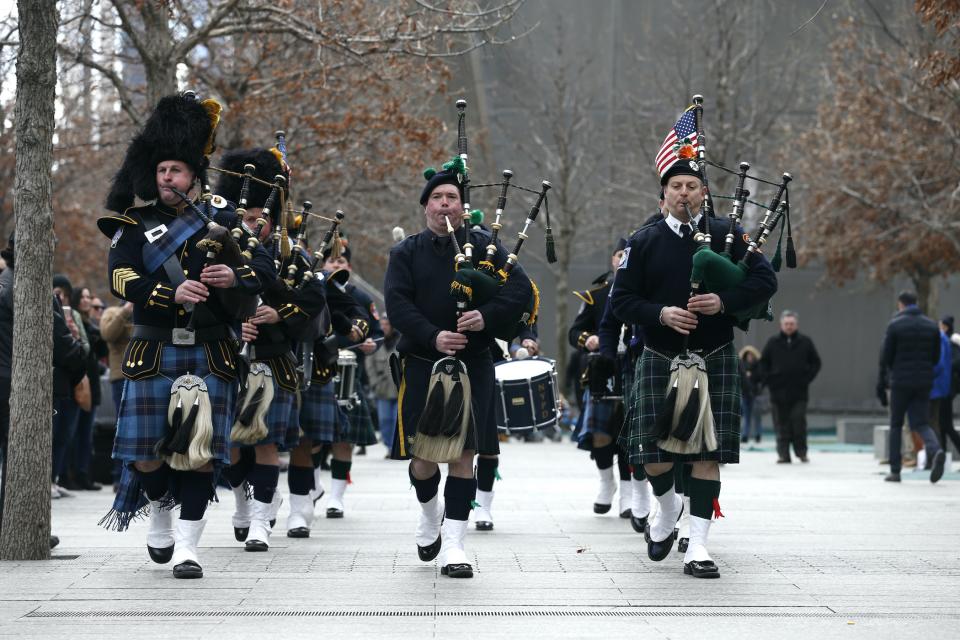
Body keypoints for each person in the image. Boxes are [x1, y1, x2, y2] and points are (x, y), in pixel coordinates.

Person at [97, 91, 273, 578]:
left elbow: (264, 266)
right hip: (153, 347)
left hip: (211, 347)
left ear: (195, 174)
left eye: (175, 170)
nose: (167, 178)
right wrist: (166, 295)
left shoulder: (224, 218)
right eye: (161, 171)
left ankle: (189, 547)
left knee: (199, 454)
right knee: (143, 453)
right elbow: (119, 278)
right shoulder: (134, 225)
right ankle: (159, 510)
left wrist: (234, 278)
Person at [610, 132, 777, 578]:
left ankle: (698, 545)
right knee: (651, 453)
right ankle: (666, 511)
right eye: (676, 186)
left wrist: (724, 303)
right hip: (660, 353)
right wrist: (660, 313)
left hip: (715, 352)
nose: (684, 193)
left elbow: (765, 282)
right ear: (663, 194)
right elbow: (621, 301)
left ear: (704, 192)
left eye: (692, 186)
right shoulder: (643, 243)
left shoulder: (728, 234)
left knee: (708, 454)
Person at [384, 160, 532, 578]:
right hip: (422, 363)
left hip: (474, 363)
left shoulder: (487, 247)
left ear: (462, 207)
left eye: (452, 198)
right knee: (423, 456)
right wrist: (434, 336)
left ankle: (454, 543)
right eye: (437, 198)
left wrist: (485, 317)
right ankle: (430, 513)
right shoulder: (405, 252)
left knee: (464, 454)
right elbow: (398, 306)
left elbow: (520, 291)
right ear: (425, 206)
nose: (445, 204)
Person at [215, 147, 329, 551]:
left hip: (274, 360)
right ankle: (245, 501)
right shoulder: (222, 255)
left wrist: (279, 315)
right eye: (246, 219)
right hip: (230, 359)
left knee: (264, 441)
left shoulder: (291, 256)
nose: (253, 226)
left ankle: (262, 520)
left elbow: (314, 297)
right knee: (229, 444)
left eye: (260, 220)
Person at [0, 233, 86, 548]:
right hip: (18, 384)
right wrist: (80, 360)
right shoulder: (33, 287)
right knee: (21, 458)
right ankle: (19, 527)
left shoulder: (3, 283)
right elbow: (62, 345)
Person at [323, 240, 383, 518]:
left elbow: (378, 332)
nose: (336, 265)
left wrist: (373, 343)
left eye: (341, 263)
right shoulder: (313, 289)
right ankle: (312, 487)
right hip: (316, 369)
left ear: (348, 267)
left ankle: (336, 497)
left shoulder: (358, 296)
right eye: (332, 261)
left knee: (344, 438)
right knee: (312, 436)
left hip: (349, 370)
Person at [876, 291, 945, 483]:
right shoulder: (931, 325)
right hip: (923, 381)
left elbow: (886, 356)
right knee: (921, 423)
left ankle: (895, 471)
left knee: (896, 424)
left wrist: (888, 377)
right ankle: (936, 450)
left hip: (900, 382)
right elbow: (936, 357)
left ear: (901, 305)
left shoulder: (895, 325)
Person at [760, 311, 820, 463]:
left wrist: (806, 379)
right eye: (786, 324)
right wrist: (769, 381)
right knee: (781, 424)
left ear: (796, 325)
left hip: (799, 392)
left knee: (798, 422)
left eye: (791, 324)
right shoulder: (772, 342)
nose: (789, 326)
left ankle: (801, 452)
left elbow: (816, 363)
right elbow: (763, 364)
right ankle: (783, 455)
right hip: (777, 392)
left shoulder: (805, 342)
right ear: (781, 324)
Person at [65, 285, 107, 491]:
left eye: (89, 297)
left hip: (91, 384)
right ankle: (69, 475)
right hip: (78, 384)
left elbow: (100, 352)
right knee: (72, 433)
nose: (87, 301)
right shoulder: (72, 321)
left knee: (86, 434)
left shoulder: (90, 324)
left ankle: (82, 474)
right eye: (83, 297)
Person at [99, 300, 134, 490]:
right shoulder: (112, 311)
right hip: (121, 376)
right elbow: (108, 334)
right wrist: (126, 310)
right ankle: (119, 476)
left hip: (144, 375)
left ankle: (136, 475)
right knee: (123, 426)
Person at [367, 312, 400, 456]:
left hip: (398, 387)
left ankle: (394, 448)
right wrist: (374, 383)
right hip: (382, 388)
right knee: (384, 419)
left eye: (386, 324)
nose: (384, 327)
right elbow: (369, 364)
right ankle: (388, 445)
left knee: (396, 420)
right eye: (382, 324)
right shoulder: (376, 342)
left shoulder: (400, 341)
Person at [936, 316, 960, 467]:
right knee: (942, 425)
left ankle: (942, 455)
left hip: (946, 389)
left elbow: (955, 363)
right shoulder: (949, 343)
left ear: (945, 327)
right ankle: (942, 456)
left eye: (940, 326)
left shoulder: (950, 344)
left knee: (946, 425)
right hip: (945, 389)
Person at [738, 346, 763, 443]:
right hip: (745, 394)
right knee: (746, 416)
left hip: (756, 394)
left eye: (751, 355)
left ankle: (758, 435)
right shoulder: (742, 365)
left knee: (757, 416)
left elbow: (761, 377)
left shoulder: (758, 365)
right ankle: (745, 435)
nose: (750, 357)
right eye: (748, 355)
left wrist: (752, 375)